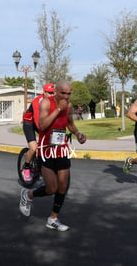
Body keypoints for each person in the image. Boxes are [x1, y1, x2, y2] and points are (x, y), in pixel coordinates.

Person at [19, 80, 87, 231]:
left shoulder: (68, 106)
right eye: (63, 93)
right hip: (46, 149)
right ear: (56, 91)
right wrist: (57, 109)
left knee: (63, 186)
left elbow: (69, 123)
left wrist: (78, 133)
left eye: (69, 93)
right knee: (51, 188)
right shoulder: (46, 103)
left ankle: (53, 218)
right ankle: (28, 195)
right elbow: (42, 125)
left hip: (61, 148)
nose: (67, 96)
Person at [21, 83, 55, 182]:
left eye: (53, 93)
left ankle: (42, 167)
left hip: (43, 123)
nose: (52, 95)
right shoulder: (37, 102)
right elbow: (37, 120)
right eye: (49, 93)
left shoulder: (56, 101)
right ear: (44, 92)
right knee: (34, 147)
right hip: (30, 123)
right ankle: (26, 168)